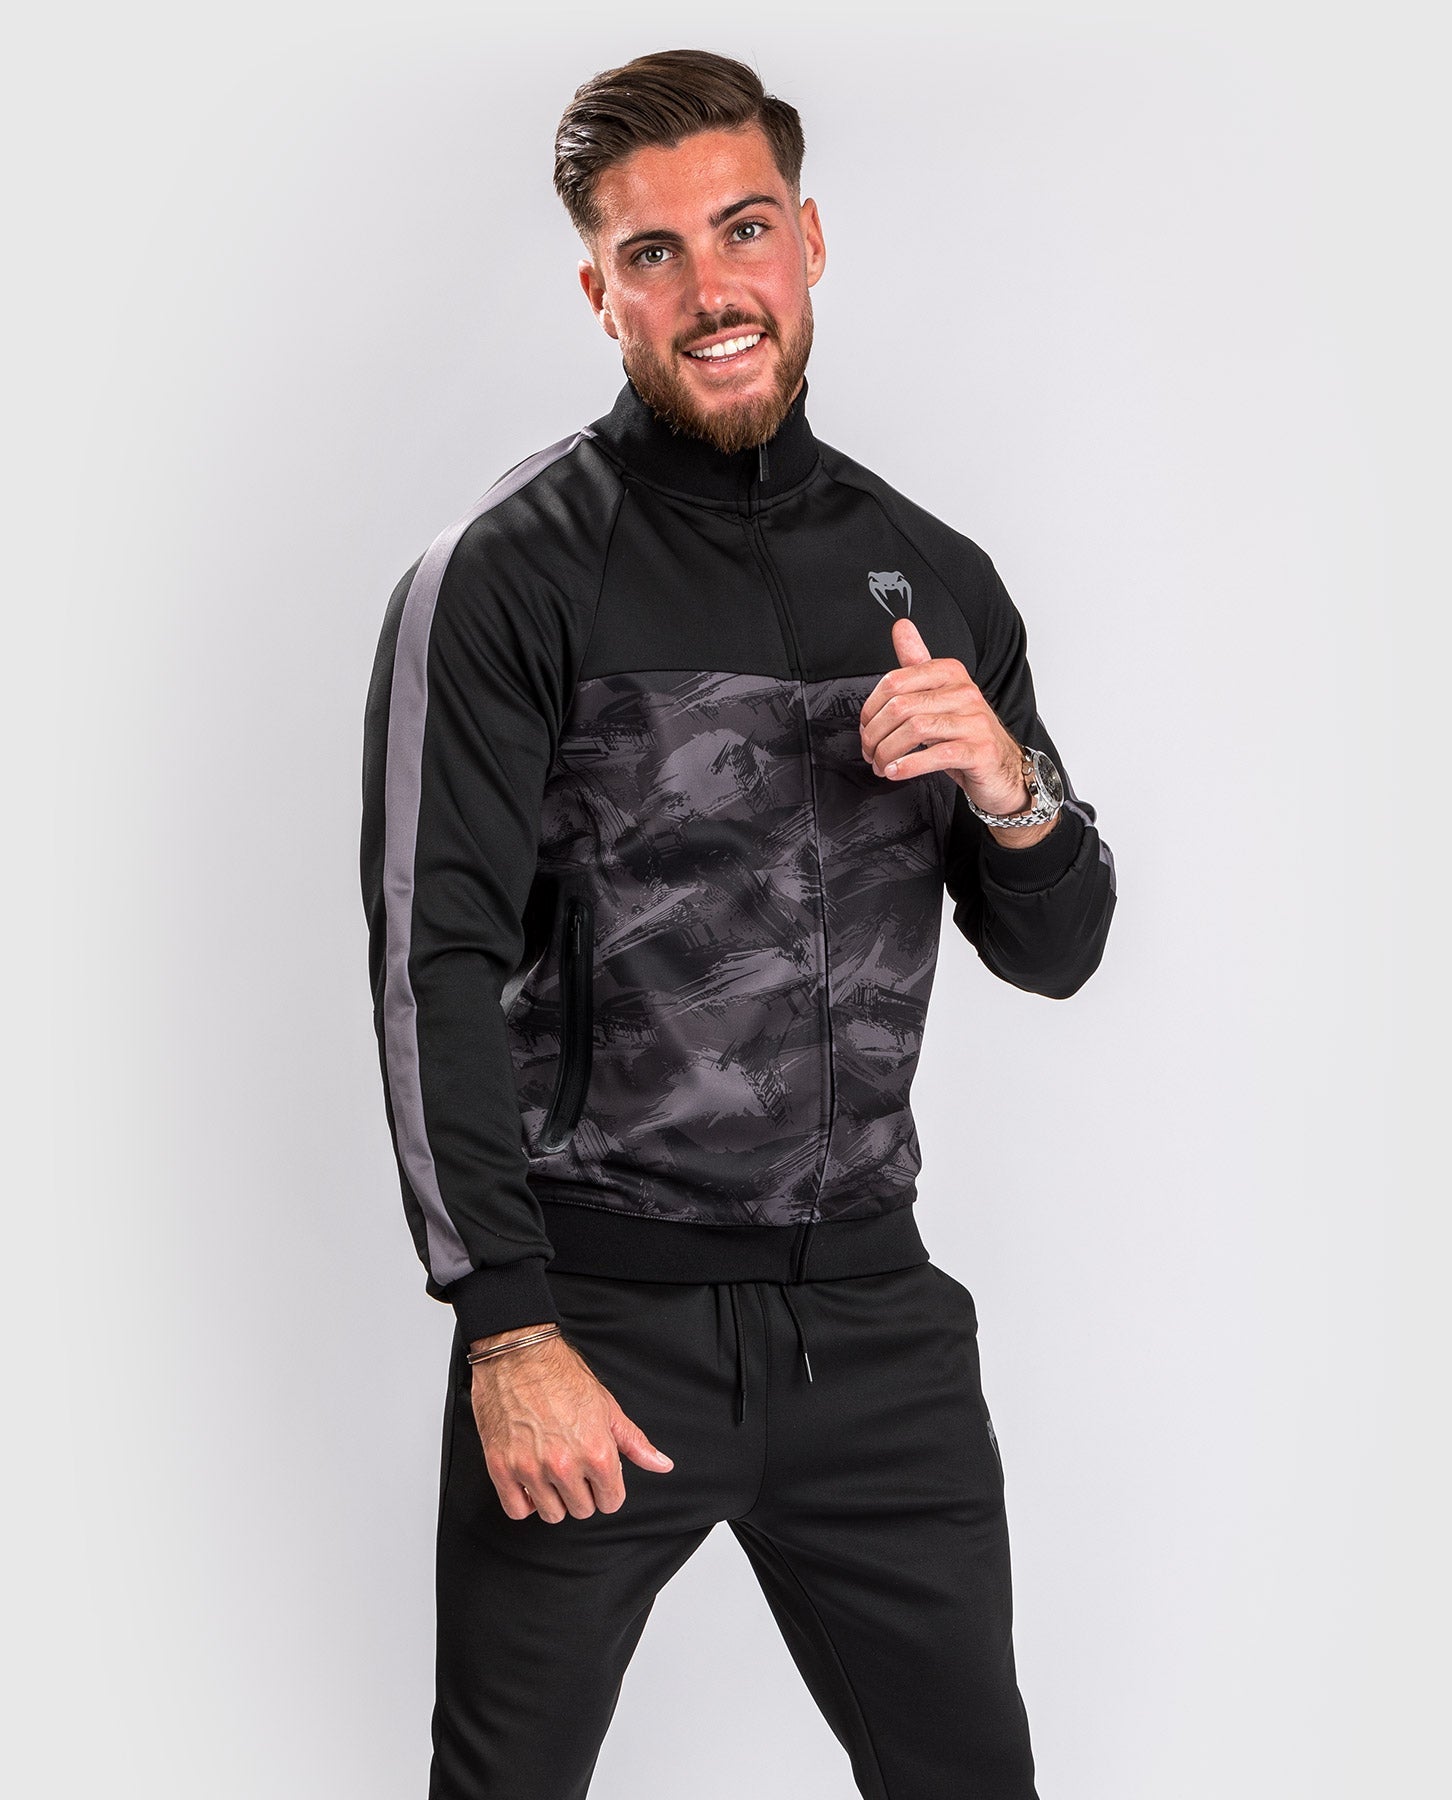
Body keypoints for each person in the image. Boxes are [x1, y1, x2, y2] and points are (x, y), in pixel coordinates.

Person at [361, 46, 1116, 1800]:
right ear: (599, 291)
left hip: (875, 1333)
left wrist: (1011, 787)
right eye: (655, 252)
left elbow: (1060, 944)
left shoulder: (935, 575)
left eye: (745, 230)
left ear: (811, 241)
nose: (713, 289)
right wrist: (507, 1325)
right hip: (593, 1330)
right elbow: (428, 962)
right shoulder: (509, 573)